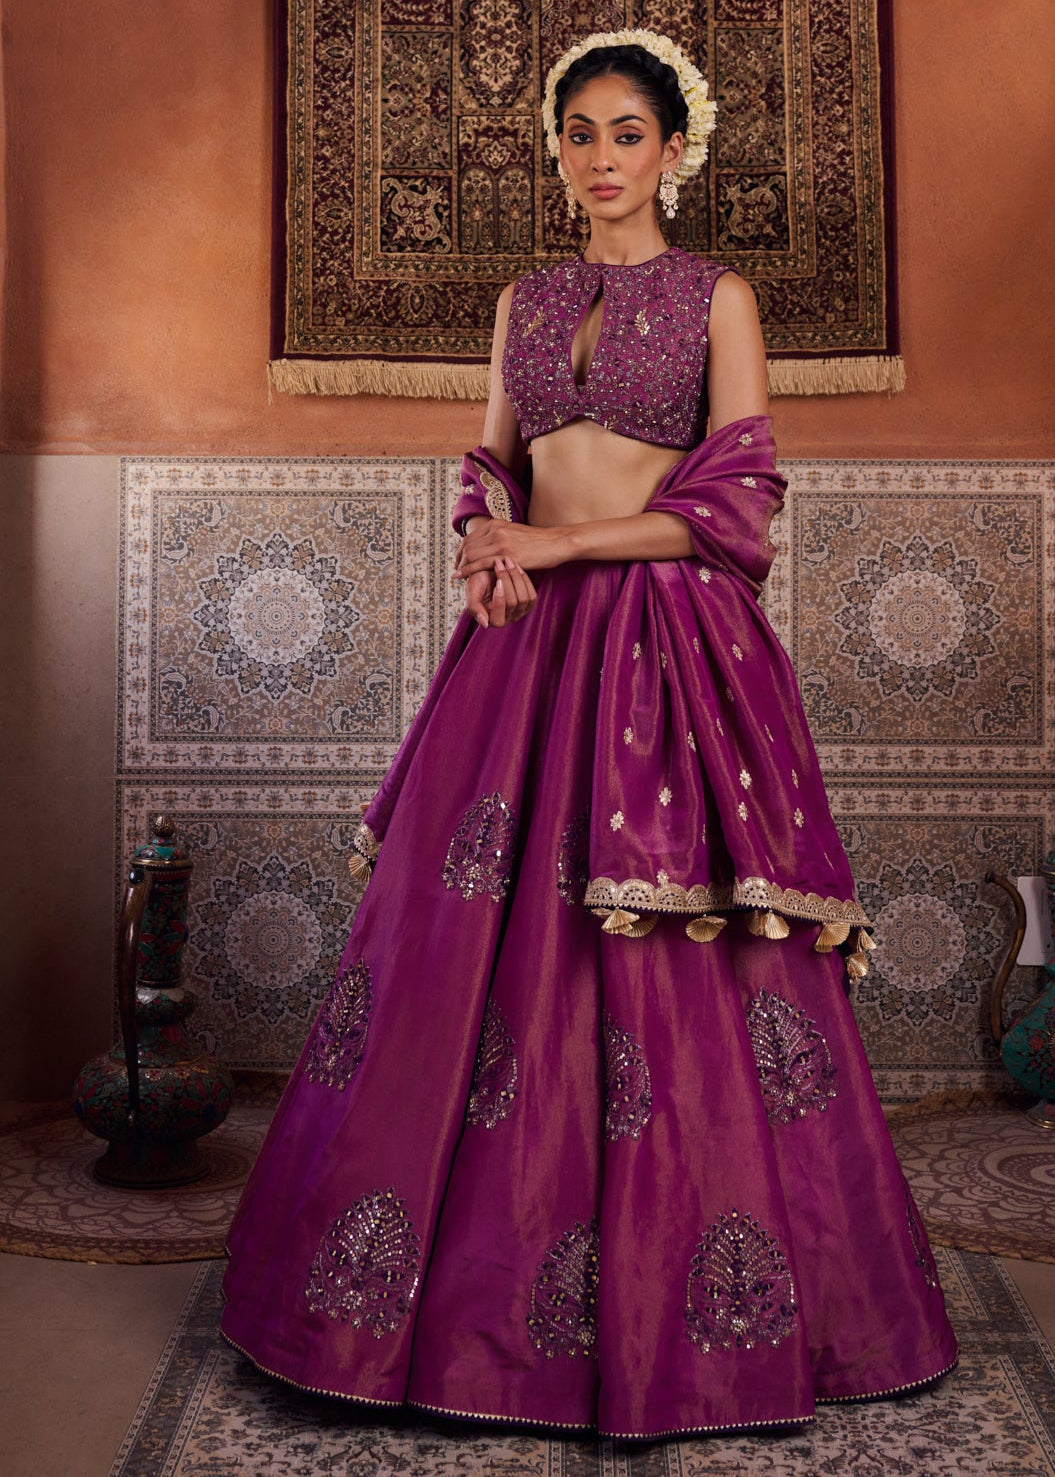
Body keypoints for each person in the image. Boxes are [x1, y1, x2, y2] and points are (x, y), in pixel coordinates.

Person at [221, 29, 957, 1440]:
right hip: (525, 645)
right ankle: (457, 1327)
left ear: (677, 149)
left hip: (665, 646)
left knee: (663, 968)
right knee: (469, 956)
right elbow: (491, 463)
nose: (601, 159)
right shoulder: (524, 298)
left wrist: (552, 550)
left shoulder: (718, 297)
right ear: (557, 155)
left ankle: (701, 1330)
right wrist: (489, 544)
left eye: (627, 133)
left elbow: (736, 499)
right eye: (579, 136)